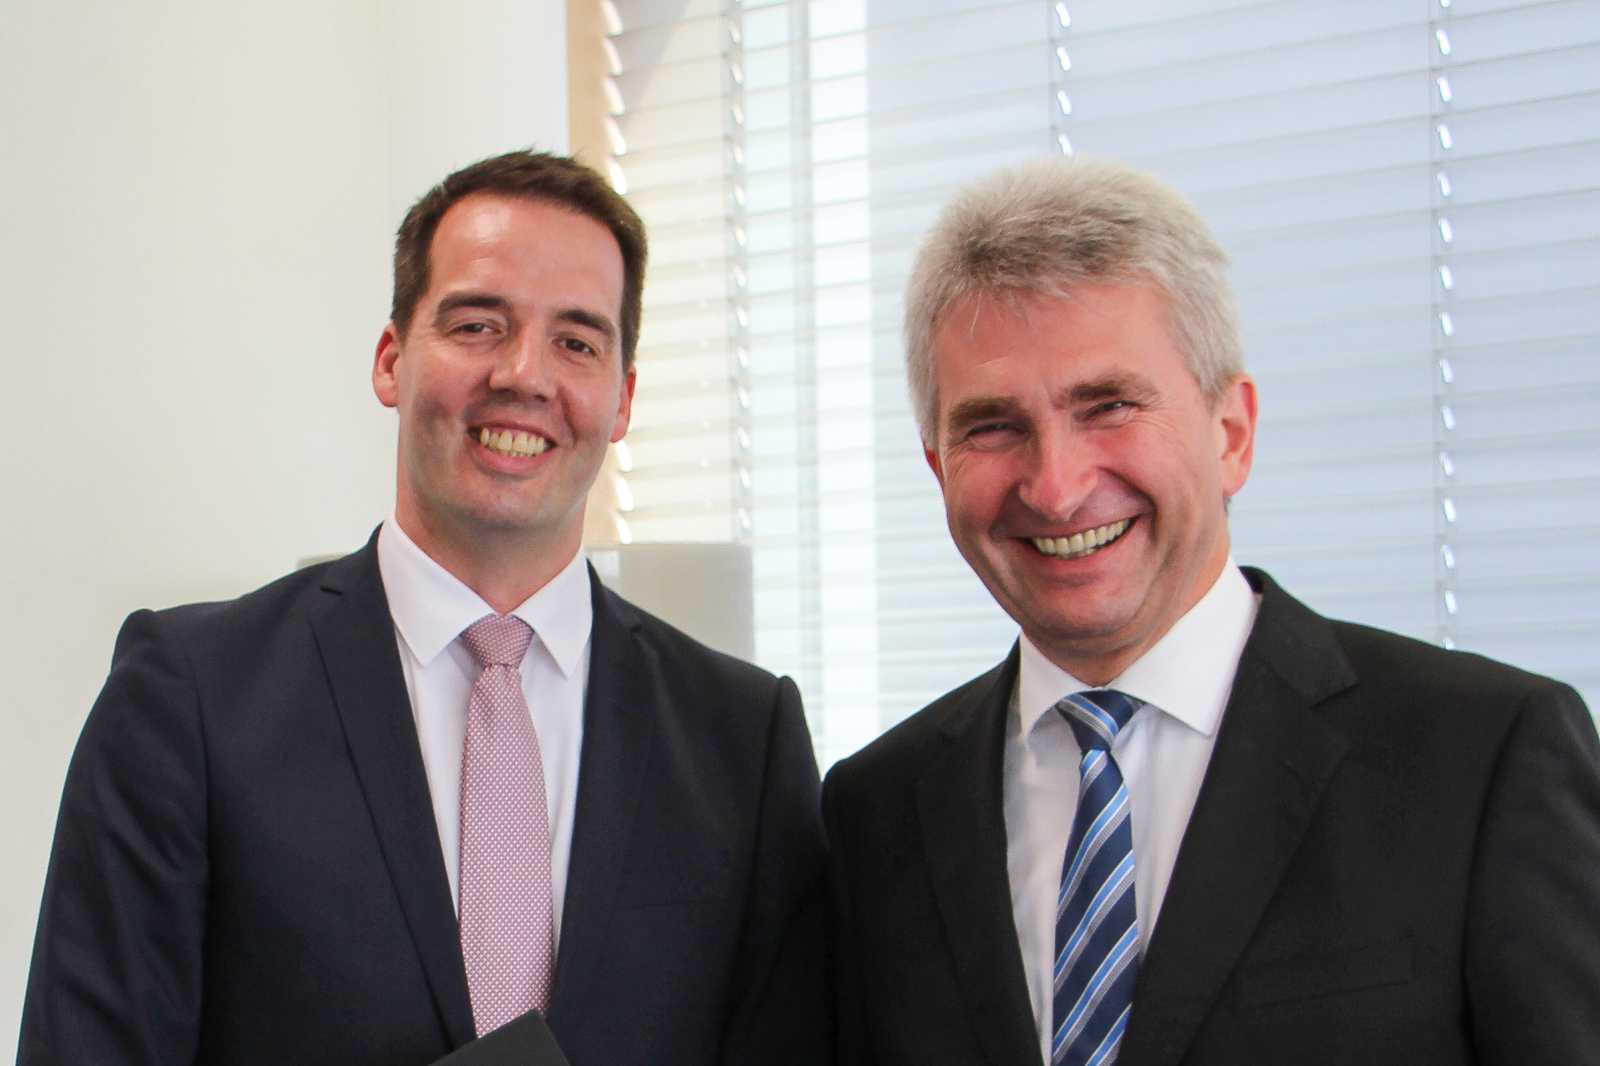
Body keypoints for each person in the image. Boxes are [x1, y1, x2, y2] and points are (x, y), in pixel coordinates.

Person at [19, 150, 828, 1066]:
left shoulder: (741, 743)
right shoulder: (192, 699)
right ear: (390, 360)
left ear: (623, 400)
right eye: (478, 325)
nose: (524, 374)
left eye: (577, 342)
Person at [822, 157, 1600, 1065]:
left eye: (1109, 405)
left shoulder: (1484, 757)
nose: (1057, 486)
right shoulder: (875, 812)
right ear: (938, 465)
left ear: (1232, 434)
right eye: (993, 426)